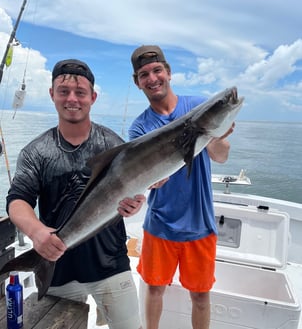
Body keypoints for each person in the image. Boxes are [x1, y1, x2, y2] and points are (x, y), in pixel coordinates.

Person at [6, 59, 145, 329]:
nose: (72, 99)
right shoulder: (37, 152)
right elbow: (17, 200)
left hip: (111, 264)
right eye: (64, 91)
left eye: (80, 92)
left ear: (93, 97)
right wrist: (36, 232)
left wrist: (135, 204)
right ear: (51, 94)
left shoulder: (113, 145)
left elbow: (133, 190)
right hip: (58, 268)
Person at [128, 45, 235, 329]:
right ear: (137, 82)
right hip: (159, 224)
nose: (152, 78)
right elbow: (145, 179)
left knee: (200, 295)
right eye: (144, 74)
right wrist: (152, 181)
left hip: (200, 223)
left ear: (169, 72)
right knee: (154, 289)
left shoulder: (198, 106)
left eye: (157, 70)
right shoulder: (139, 128)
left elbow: (221, 156)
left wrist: (216, 134)